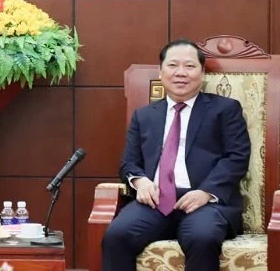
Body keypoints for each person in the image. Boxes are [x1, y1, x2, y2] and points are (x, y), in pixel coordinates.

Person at [102, 39, 251, 271]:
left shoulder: (225, 109)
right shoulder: (144, 116)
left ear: (202, 73)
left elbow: (237, 157)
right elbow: (129, 162)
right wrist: (139, 181)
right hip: (154, 202)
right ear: (161, 72)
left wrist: (206, 192)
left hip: (205, 204)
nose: (181, 73)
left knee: (203, 237)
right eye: (172, 65)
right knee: (116, 235)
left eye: (190, 66)